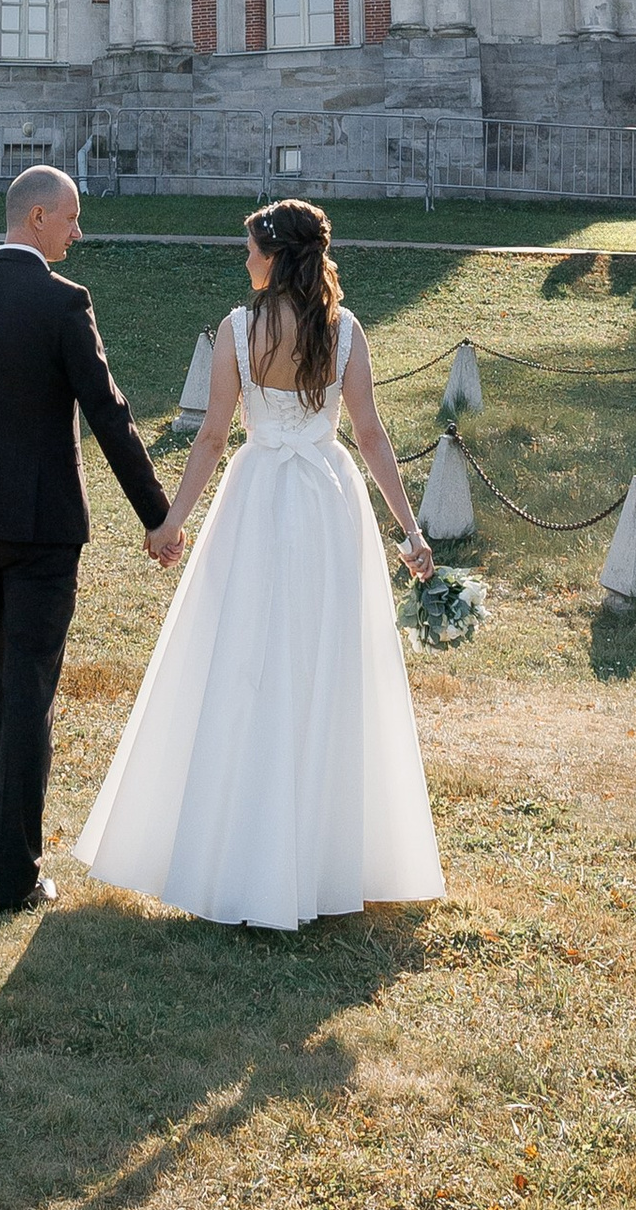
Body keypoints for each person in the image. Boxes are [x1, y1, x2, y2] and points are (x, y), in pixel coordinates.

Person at [74, 196, 444, 930]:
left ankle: (239, 851)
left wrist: (172, 522)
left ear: (274, 254)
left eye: (250, 247)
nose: (244, 259)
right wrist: (411, 530)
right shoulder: (345, 331)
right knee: (325, 664)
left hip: (258, 497)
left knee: (245, 660)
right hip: (329, 500)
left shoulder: (239, 330)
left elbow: (212, 436)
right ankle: (325, 854)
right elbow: (369, 436)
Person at [0, 162, 179, 913]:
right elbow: (110, 412)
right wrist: (156, 515)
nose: (78, 230)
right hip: (41, 530)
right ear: (36, 218)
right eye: (71, 216)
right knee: (28, 687)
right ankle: (16, 874)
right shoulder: (65, 302)